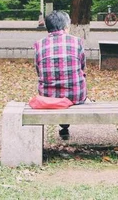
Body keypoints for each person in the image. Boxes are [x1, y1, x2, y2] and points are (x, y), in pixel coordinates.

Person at [34, 10, 87, 140]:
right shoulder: (77, 41)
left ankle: (64, 126)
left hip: (48, 96)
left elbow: (38, 70)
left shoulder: (39, 45)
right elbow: (82, 66)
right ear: (66, 26)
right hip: (75, 96)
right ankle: (64, 126)